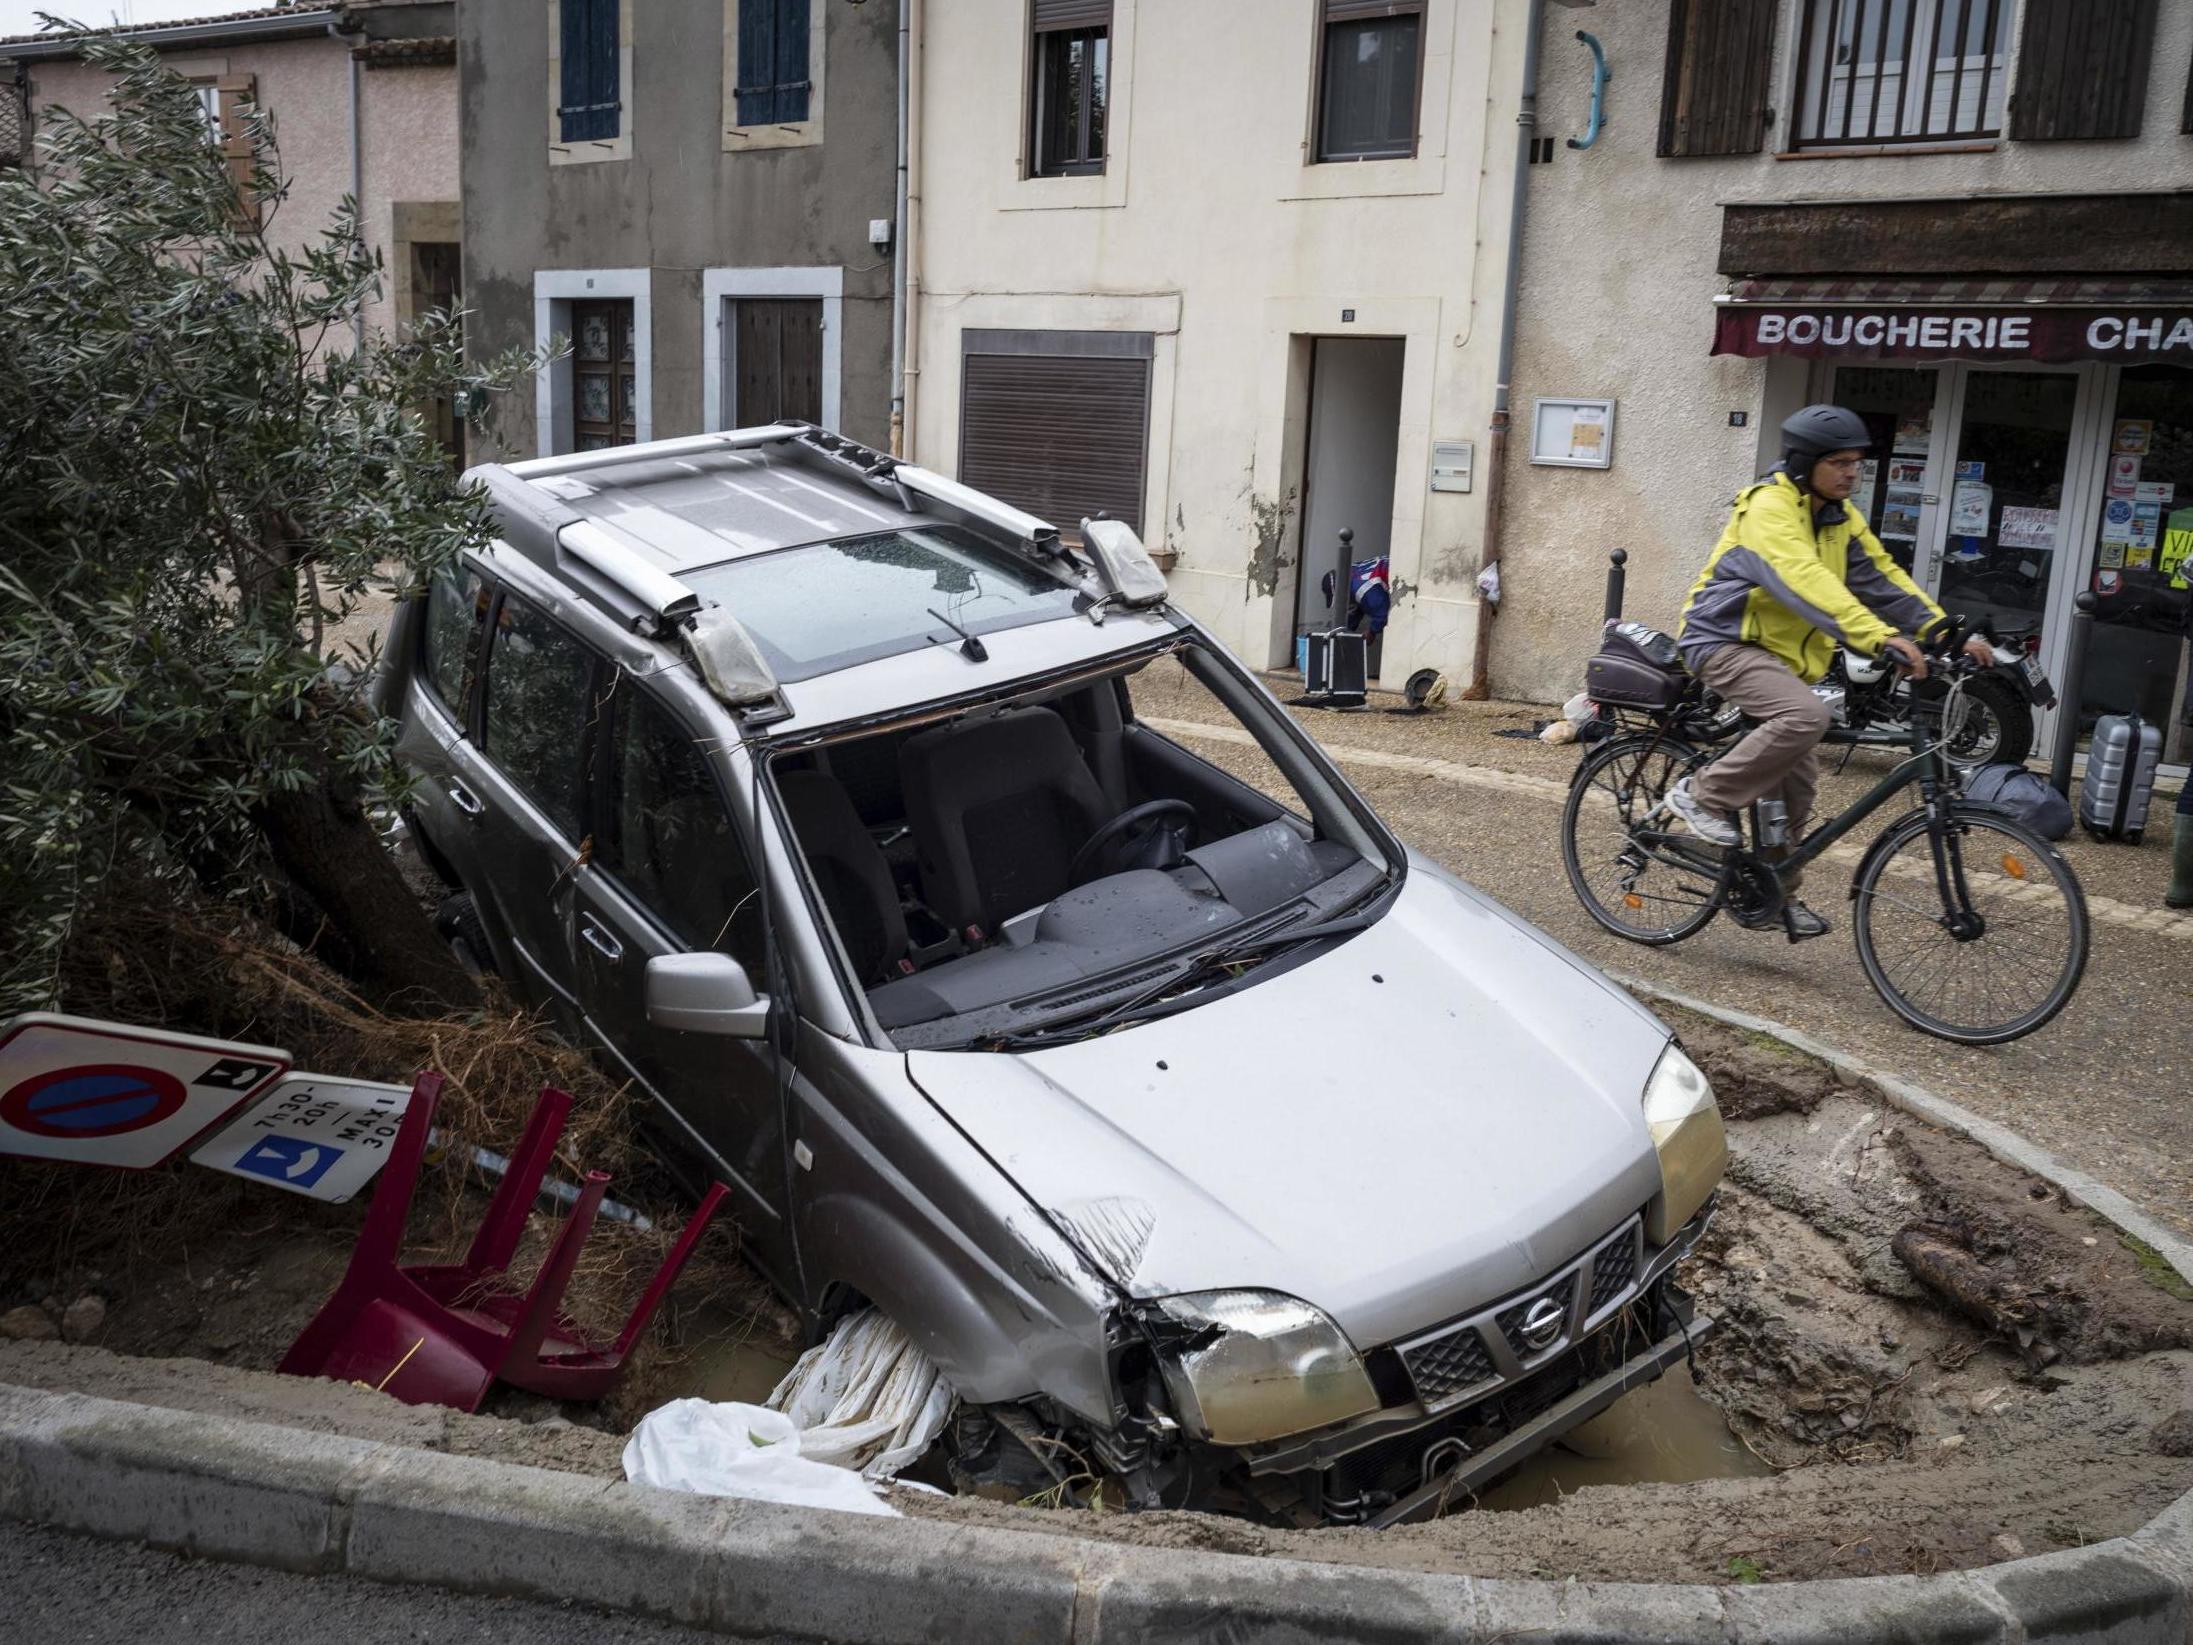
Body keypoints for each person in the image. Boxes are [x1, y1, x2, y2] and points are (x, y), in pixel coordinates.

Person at [1664, 404, 1997, 941]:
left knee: (1797, 783)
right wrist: (1880, 637)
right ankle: (1702, 796)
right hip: (1724, 641)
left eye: (1856, 464)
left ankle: (1772, 895)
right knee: (1804, 716)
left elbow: (1882, 578)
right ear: (1803, 462)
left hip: (1783, 660)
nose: (1851, 474)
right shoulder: (1766, 508)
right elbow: (1803, 579)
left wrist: (1941, 630)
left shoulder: (1841, 517)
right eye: (1839, 462)